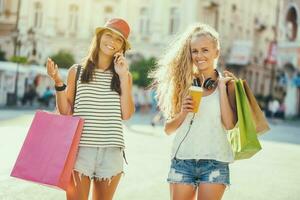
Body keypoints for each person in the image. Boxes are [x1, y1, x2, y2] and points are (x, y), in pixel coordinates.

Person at [46, 18, 135, 200]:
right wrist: (58, 82)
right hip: (80, 151)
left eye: (118, 40)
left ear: (122, 47)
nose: (112, 42)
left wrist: (123, 77)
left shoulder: (124, 75)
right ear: (99, 36)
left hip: (111, 152)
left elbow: (126, 114)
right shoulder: (76, 71)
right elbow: (66, 112)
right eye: (109, 35)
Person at [151, 23, 237, 200]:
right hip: (182, 161)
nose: (199, 56)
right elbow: (168, 129)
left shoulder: (228, 85)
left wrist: (221, 86)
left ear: (216, 53)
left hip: (215, 162)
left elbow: (229, 125)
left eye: (205, 50)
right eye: (194, 51)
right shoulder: (184, 84)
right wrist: (183, 112)